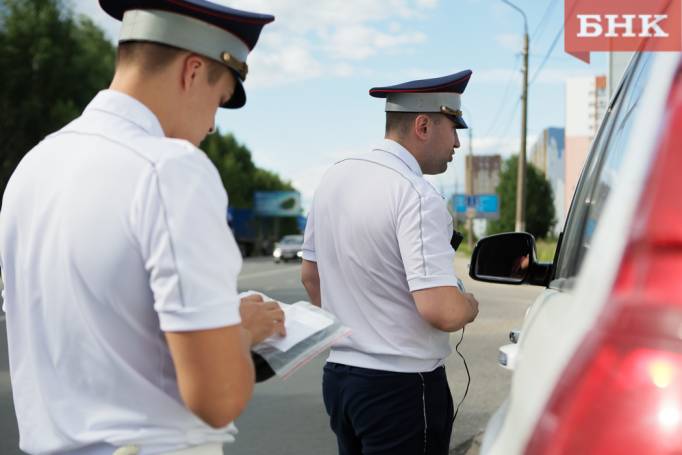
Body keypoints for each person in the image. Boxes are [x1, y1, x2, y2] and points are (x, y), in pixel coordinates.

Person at [0, 1, 284, 454]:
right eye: (219, 100)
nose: (211, 125)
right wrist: (242, 330)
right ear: (192, 72)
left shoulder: (33, 166)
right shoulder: (171, 169)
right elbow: (217, 398)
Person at [301, 71, 480, 455]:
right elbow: (442, 311)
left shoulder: (334, 178)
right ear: (423, 125)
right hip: (401, 388)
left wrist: (358, 328)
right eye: (454, 128)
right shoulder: (416, 194)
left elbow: (311, 276)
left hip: (341, 380)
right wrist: (469, 305)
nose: (458, 143)